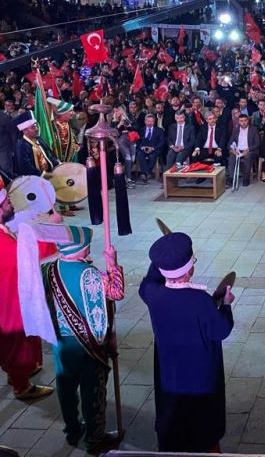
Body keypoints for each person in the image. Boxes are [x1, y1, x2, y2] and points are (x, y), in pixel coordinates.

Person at [139, 232, 235, 453]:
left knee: (174, 426)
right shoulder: (200, 301)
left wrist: (164, 254)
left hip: (170, 378)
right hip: (202, 380)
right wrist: (227, 305)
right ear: (190, 269)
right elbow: (221, 330)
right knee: (204, 431)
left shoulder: (153, 294)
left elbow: (150, 279)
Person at [40, 226, 124, 453]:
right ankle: (95, 439)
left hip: (60, 341)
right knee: (92, 390)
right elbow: (116, 293)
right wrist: (113, 264)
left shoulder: (48, 269)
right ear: (81, 248)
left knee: (65, 386)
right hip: (87, 344)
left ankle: (72, 430)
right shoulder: (90, 274)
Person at [0, 182, 53, 402]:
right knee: (16, 340)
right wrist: (51, 231)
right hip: (9, 304)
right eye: (5, 202)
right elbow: (25, 257)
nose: (10, 202)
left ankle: (19, 373)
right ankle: (21, 385)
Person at [13, 111, 59, 176]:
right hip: (32, 181)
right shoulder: (21, 146)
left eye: (36, 126)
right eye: (33, 127)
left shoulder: (39, 140)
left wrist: (58, 164)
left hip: (48, 175)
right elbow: (26, 168)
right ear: (25, 130)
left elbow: (50, 156)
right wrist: (43, 175)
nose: (36, 129)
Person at [227, 113, 259, 187]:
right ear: (238, 121)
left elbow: (257, 143)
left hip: (250, 150)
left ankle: (246, 178)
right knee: (232, 156)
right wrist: (232, 149)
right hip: (238, 150)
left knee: (247, 156)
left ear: (248, 121)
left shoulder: (253, 129)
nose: (243, 122)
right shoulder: (236, 129)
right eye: (241, 121)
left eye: (245, 120)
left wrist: (248, 149)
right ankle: (231, 178)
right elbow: (230, 142)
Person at [47, 97, 80, 162]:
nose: (72, 113)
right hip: (65, 163)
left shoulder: (64, 123)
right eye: (70, 111)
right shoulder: (61, 126)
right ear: (63, 113)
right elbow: (64, 148)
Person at [136, 114, 165, 183]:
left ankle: (144, 173)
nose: (150, 123)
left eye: (151, 121)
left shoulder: (159, 130)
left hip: (154, 148)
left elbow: (162, 142)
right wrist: (142, 147)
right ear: (145, 121)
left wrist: (153, 148)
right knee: (140, 154)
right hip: (143, 148)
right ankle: (147, 173)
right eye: (148, 121)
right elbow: (137, 141)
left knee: (152, 156)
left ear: (154, 122)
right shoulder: (141, 130)